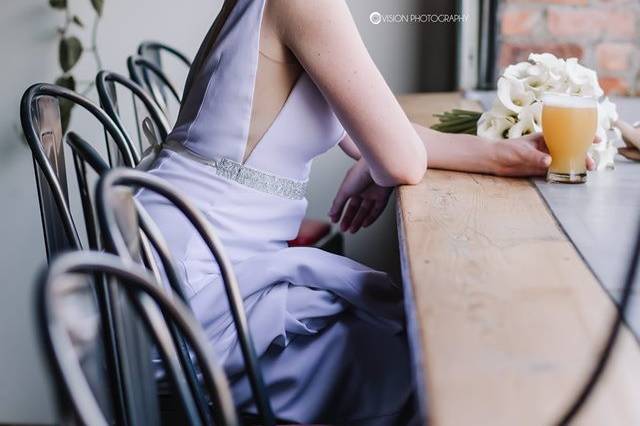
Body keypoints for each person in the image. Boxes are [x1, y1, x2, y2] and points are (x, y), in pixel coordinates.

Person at [136, 0, 595, 423]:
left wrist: (506, 156)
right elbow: (400, 157)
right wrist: (381, 166)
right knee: (419, 356)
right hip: (194, 284)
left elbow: (377, 135)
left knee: (401, 331)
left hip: (179, 248)